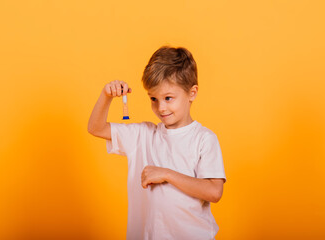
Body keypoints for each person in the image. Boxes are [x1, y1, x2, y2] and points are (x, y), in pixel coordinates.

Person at [88, 46, 226, 240]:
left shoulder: (204, 139)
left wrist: (166, 174)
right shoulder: (143, 135)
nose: (160, 107)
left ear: (192, 93)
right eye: (153, 99)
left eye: (168, 98)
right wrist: (106, 96)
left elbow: (214, 191)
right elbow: (96, 128)